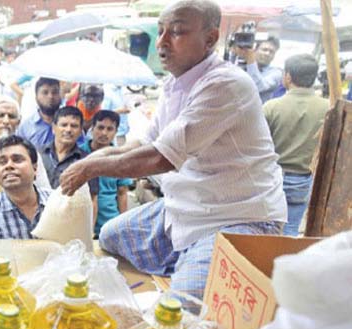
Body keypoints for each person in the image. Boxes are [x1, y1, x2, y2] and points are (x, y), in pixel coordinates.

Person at [59, 0, 286, 301]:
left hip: (235, 218)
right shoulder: (173, 85)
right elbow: (142, 144)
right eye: (161, 31)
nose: (163, 41)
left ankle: (194, 269)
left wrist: (90, 168)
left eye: (177, 32)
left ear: (210, 39)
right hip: (185, 208)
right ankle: (189, 261)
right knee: (111, 236)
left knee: (180, 308)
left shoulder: (226, 85)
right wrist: (90, 159)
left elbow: (159, 158)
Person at [263, 54, 328, 236]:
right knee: (290, 231)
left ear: (288, 76)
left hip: (272, 179)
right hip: (303, 180)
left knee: (264, 231)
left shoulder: (271, 107)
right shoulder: (328, 107)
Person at [0, 95, 51, 193]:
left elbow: (43, 190)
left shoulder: (28, 152)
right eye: (0, 115)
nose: (6, 121)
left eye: (11, 116)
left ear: (18, 122)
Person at [79, 110, 133, 237]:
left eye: (110, 129)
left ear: (116, 132)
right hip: (82, 221)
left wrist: (123, 224)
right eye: (100, 127)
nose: (104, 133)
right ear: (92, 128)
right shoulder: (79, 154)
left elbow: (122, 193)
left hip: (109, 223)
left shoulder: (120, 158)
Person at [17, 77, 79, 150]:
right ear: (36, 98)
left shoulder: (72, 124)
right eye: (45, 92)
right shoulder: (26, 127)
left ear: (61, 95)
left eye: (55, 92)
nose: (50, 96)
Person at [234, 36, 282, 103]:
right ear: (255, 50)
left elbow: (258, 87)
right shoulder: (240, 64)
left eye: (271, 52)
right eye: (264, 50)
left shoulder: (276, 73)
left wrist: (250, 61)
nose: (267, 54)